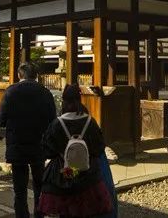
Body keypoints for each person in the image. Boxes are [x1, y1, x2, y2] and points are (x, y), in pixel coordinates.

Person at [38, 84, 113, 217]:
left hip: (63, 172)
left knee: (65, 212)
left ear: (64, 101)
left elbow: (47, 150)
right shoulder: (90, 122)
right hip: (88, 172)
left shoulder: (57, 124)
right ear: (80, 99)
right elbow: (99, 147)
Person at [0, 63, 56, 218]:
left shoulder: (11, 92)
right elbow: (53, 121)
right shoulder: (45, 92)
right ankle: (39, 214)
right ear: (36, 75)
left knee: (20, 189)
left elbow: (0, 120)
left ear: (19, 75)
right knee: (39, 186)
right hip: (39, 145)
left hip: (17, 146)